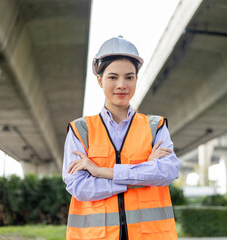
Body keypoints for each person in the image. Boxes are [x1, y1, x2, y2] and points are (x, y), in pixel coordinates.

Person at [62, 36, 180, 240]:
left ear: (136, 79)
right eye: (113, 77)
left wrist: (101, 171)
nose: (121, 85)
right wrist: (142, 176)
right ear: (100, 80)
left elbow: (168, 171)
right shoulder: (81, 130)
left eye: (129, 77)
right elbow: (79, 187)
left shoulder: (155, 127)